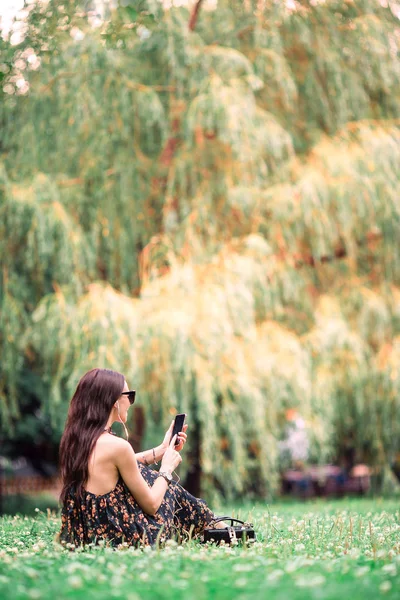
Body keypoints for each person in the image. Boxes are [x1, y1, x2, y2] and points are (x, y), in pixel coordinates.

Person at [57, 368, 220, 549]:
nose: (131, 403)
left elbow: (120, 465)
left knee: (143, 472)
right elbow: (151, 505)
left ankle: (218, 528)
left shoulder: (77, 441)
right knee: (170, 488)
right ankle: (221, 530)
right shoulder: (118, 446)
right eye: (130, 395)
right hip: (124, 539)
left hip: (86, 536)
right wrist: (166, 470)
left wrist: (161, 450)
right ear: (114, 401)